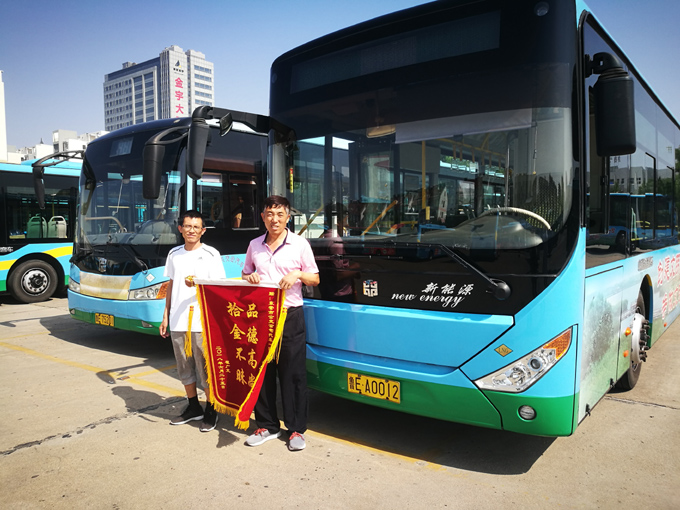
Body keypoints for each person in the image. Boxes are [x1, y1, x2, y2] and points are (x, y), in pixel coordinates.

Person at [242, 195, 319, 451]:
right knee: (262, 372)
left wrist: (297, 274)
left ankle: (296, 429)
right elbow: (245, 273)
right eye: (270, 214)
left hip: (289, 315)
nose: (274, 219)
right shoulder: (254, 245)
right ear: (263, 217)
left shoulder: (300, 244)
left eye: (280, 214)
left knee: (292, 373)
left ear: (287, 217)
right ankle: (267, 425)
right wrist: (250, 277)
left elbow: (315, 279)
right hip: (261, 316)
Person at [159, 210, 226, 432]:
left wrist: (199, 283)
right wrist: (166, 315)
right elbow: (170, 285)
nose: (192, 231)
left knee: (205, 368)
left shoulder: (211, 254)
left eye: (196, 227)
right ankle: (193, 406)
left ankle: (211, 409)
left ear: (203, 231)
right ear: (180, 229)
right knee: (184, 366)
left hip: (201, 320)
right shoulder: (174, 254)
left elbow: (219, 288)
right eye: (188, 226)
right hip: (178, 319)